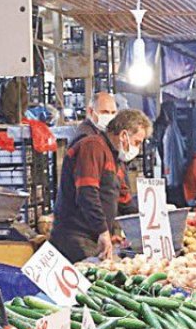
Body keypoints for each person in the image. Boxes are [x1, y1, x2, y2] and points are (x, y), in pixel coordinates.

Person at [50, 109, 152, 262]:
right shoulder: (93, 146)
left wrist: (147, 227)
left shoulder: (115, 159)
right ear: (124, 135)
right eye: (137, 142)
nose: (137, 148)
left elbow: (124, 202)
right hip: (75, 239)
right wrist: (103, 231)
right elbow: (87, 193)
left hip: (93, 238)